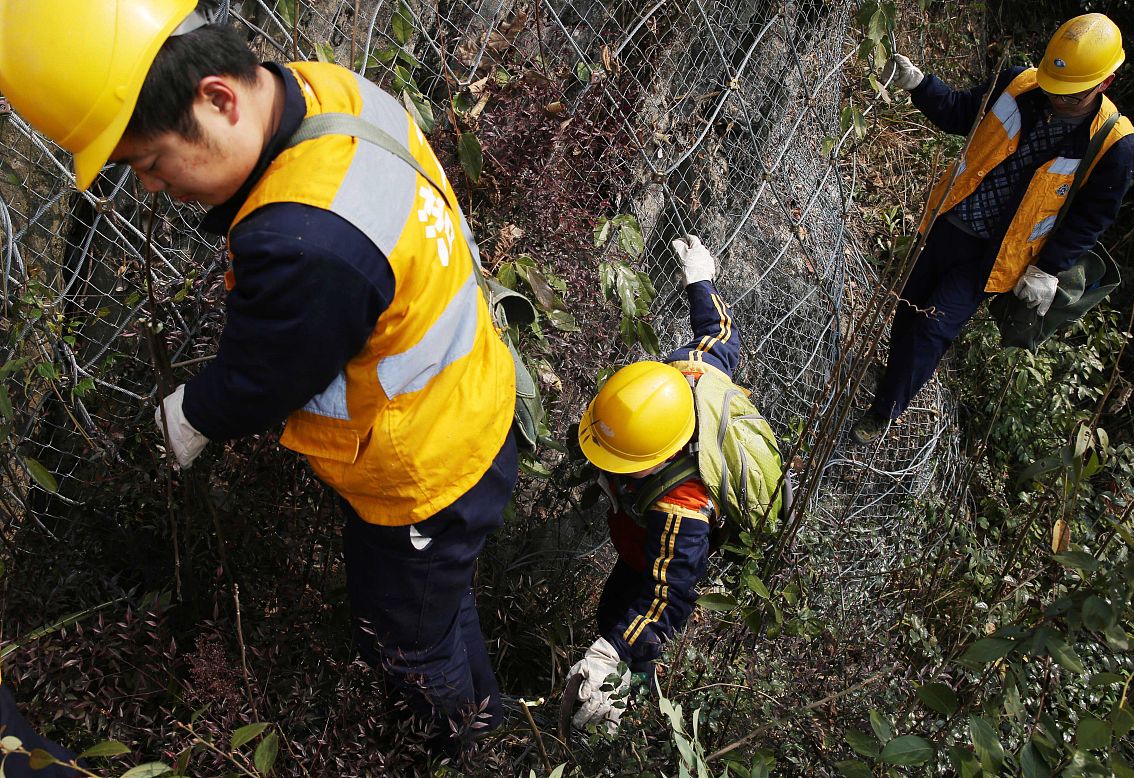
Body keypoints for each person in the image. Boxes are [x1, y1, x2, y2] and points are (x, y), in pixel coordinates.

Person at [0, 0, 517, 753]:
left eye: (150, 162)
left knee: (405, 640)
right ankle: (491, 726)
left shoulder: (303, 240)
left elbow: (264, 375)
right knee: (440, 605)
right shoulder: (328, 92)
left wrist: (191, 416)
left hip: (420, 477)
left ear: (219, 97)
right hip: (469, 399)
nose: (150, 186)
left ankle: (452, 753)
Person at [852, 13, 1134, 444]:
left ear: (1104, 84)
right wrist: (918, 84)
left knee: (933, 327)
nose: (1057, 100)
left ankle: (884, 411)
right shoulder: (1019, 84)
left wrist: (1049, 268)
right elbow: (961, 113)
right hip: (948, 222)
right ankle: (894, 376)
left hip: (996, 256)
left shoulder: (1114, 143)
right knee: (907, 309)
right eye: (1054, 89)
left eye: (1070, 96)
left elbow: (1091, 218)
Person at [568, 235, 738, 733]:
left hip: (650, 554)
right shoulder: (682, 377)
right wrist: (701, 281)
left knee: (629, 624)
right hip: (636, 539)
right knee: (610, 611)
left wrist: (612, 654)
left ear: (659, 458)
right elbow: (720, 335)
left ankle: (621, 714)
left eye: (624, 464)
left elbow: (668, 596)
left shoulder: (683, 508)